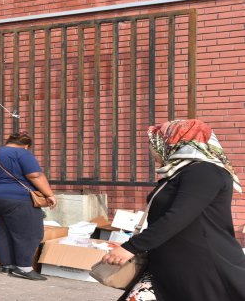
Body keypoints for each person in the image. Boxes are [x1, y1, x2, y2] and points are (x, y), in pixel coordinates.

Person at [102, 119, 245, 301]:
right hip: (170, 265)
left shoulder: (205, 172)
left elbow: (177, 217)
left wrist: (131, 247)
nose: (152, 151)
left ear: (174, 142)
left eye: (154, 144)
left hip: (201, 267)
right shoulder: (181, 172)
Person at [0, 132, 57, 280]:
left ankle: (7, 265)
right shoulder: (22, 154)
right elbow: (35, 175)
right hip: (17, 199)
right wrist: (49, 194)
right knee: (30, 232)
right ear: (26, 146)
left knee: (2, 231)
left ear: (8, 142)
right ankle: (24, 268)